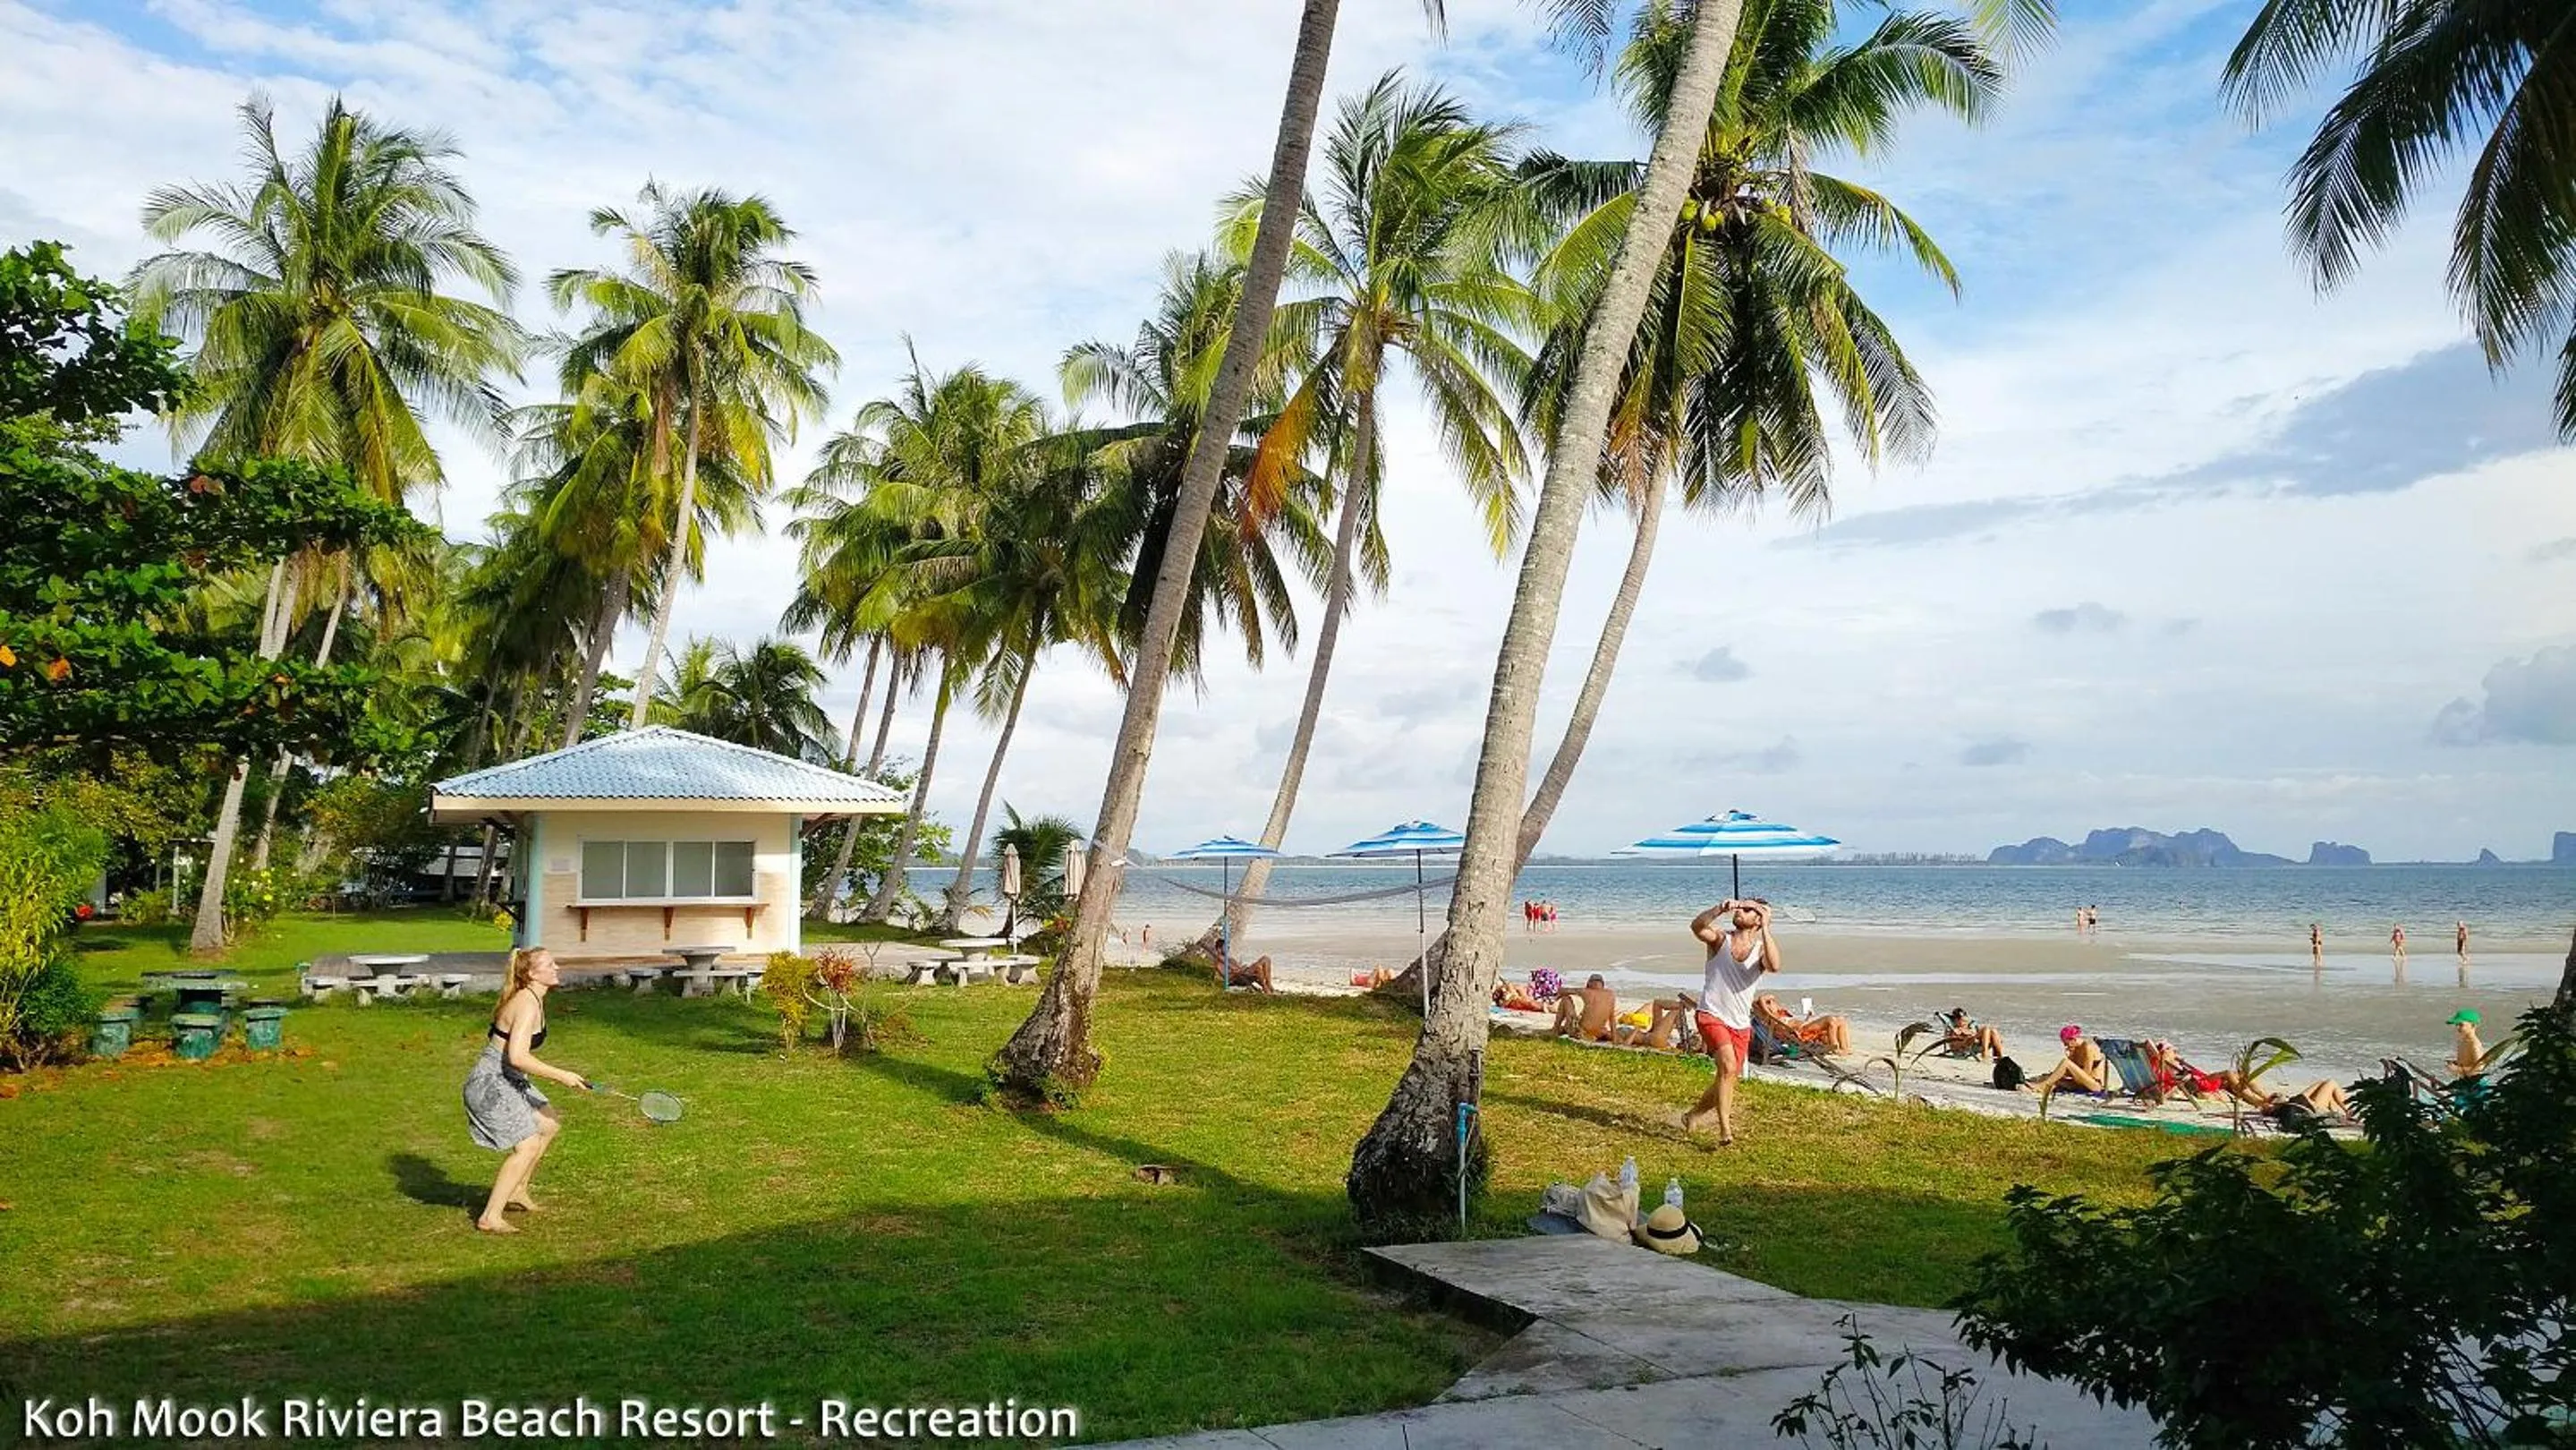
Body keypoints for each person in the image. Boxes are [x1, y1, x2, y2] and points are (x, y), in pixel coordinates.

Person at [463, 948, 590, 1234]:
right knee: (528, 1145)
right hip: (491, 1082)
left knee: (549, 1123)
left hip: (508, 1075)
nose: (557, 967)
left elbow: (516, 1061)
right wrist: (562, 1075)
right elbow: (518, 1056)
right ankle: (490, 1217)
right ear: (532, 974)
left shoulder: (535, 998)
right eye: (549, 964)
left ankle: (518, 1189)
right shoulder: (526, 1003)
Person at [1679, 899, 1779, 1145]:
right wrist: (1718, 909)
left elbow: (1775, 966)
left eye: (1748, 910)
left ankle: (1692, 1115)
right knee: (1727, 1066)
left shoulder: (1760, 950)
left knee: (1728, 1075)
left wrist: (1767, 927)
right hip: (1711, 1013)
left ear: (1758, 920)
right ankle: (1725, 1130)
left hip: (1740, 1022)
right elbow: (1696, 927)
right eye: (1740, 907)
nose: (1740, 912)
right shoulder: (1721, 940)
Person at [1755, 993, 1851, 1054]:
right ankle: (1835, 1048)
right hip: (1801, 1032)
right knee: (1831, 1020)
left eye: (1772, 1002)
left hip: (1805, 1026)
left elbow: (1772, 996)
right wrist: (1767, 1010)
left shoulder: (1780, 1015)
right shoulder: (1772, 1019)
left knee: (1841, 1019)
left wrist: (1808, 1016)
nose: (1772, 1003)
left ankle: (1845, 1048)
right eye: (1769, 1003)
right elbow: (1761, 999)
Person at [2023, 1025, 2108, 1096]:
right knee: (2053, 1078)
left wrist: (2068, 1065)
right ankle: (2037, 1089)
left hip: (2095, 1085)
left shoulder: (2088, 1047)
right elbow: (2074, 1072)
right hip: (2082, 1083)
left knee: (2065, 1063)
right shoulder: (2076, 1048)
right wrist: (2070, 1056)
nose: (2065, 1046)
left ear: (2073, 1039)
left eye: (2066, 1043)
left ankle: (2043, 1086)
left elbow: (2085, 1074)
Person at [1551, 973, 1621, 1042]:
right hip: (1598, 1034)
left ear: (1589, 983)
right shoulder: (1610, 995)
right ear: (1602, 985)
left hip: (1582, 1033)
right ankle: (1561, 1029)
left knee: (1565, 1000)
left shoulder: (1585, 992)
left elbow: (1562, 990)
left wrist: (1558, 996)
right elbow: (1612, 1019)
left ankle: (1555, 1029)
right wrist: (1614, 1038)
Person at [1938, 1007, 2005, 1062]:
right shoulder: (1954, 1029)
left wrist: (1970, 1033)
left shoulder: (1968, 1027)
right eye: (1962, 1021)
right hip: (1964, 1045)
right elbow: (1953, 1041)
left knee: (1993, 1031)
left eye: (1965, 1021)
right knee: (1986, 1029)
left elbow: (1974, 1033)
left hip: (1974, 1042)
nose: (1965, 1023)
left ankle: (1999, 1057)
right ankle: (1984, 1054)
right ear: (1956, 1020)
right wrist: (1962, 1032)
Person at [2448, 1008, 2485, 1078]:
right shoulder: (2463, 1041)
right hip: (2465, 1080)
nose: (2458, 1027)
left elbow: (2480, 1068)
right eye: (2456, 1025)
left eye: (2461, 1025)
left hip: (2474, 1083)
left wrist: (2458, 1069)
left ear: (2473, 1026)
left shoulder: (2474, 1044)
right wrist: (2456, 1063)